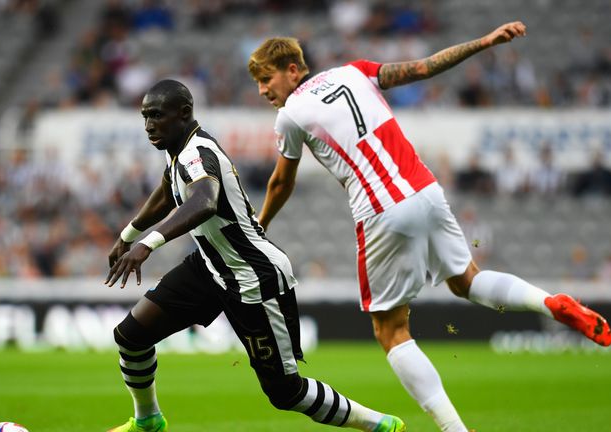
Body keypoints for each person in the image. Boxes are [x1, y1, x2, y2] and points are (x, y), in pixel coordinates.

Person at [247, 22, 611, 432]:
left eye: (266, 78)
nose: (263, 90)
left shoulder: (291, 115)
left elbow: (281, 182)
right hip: (425, 190)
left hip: (379, 208)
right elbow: (423, 68)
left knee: (390, 329)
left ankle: (454, 430)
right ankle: (548, 303)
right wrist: (485, 41)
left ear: (293, 70)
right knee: (467, 281)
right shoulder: (355, 71)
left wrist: (258, 225)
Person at [103, 79, 405, 432]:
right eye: (145, 116)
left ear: (184, 114)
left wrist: (147, 244)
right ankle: (148, 421)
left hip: (253, 276)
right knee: (131, 336)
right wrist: (128, 236)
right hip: (210, 267)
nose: (149, 124)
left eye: (157, 115)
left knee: (286, 392)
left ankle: (380, 425)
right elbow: (168, 193)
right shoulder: (180, 154)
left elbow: (204, 201)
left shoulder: (196, 154)